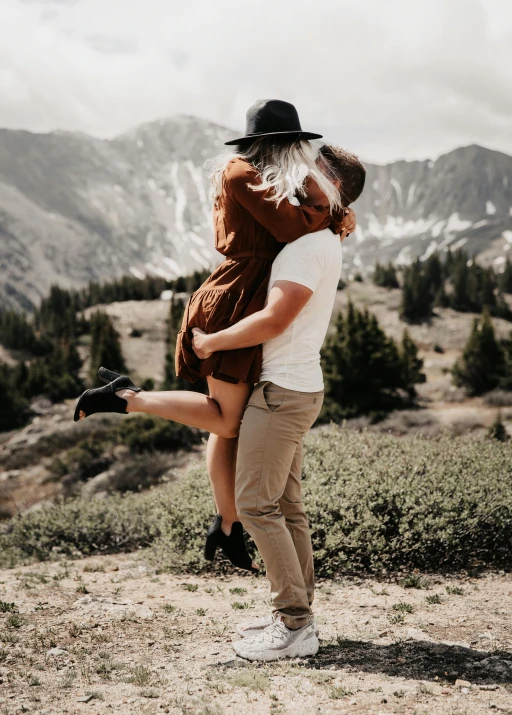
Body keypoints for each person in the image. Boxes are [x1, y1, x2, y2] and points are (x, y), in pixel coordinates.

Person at [73, 100, 355, 572]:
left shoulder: (269, 181)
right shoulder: (239, 172)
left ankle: (228, 525)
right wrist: (333, 212)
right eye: (297, 147)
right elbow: (289, 227)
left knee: (231, 420)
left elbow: (291, 227)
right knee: (226, 420)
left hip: (244, 294)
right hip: (232, 298)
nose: (304, 159)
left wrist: (328, 213)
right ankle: (125, 397)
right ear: (281, 146)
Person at [192, 145, 366, 661]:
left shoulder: (308, 248)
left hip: (281, 392)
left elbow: (274, 320)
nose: (301, 176)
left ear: (331, 188)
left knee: (256, 506)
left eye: (313, 173)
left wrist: (211, 343)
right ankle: (297, 615)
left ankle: (295, 626)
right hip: (293, 387)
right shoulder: (315, 236)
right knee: (286, 507)